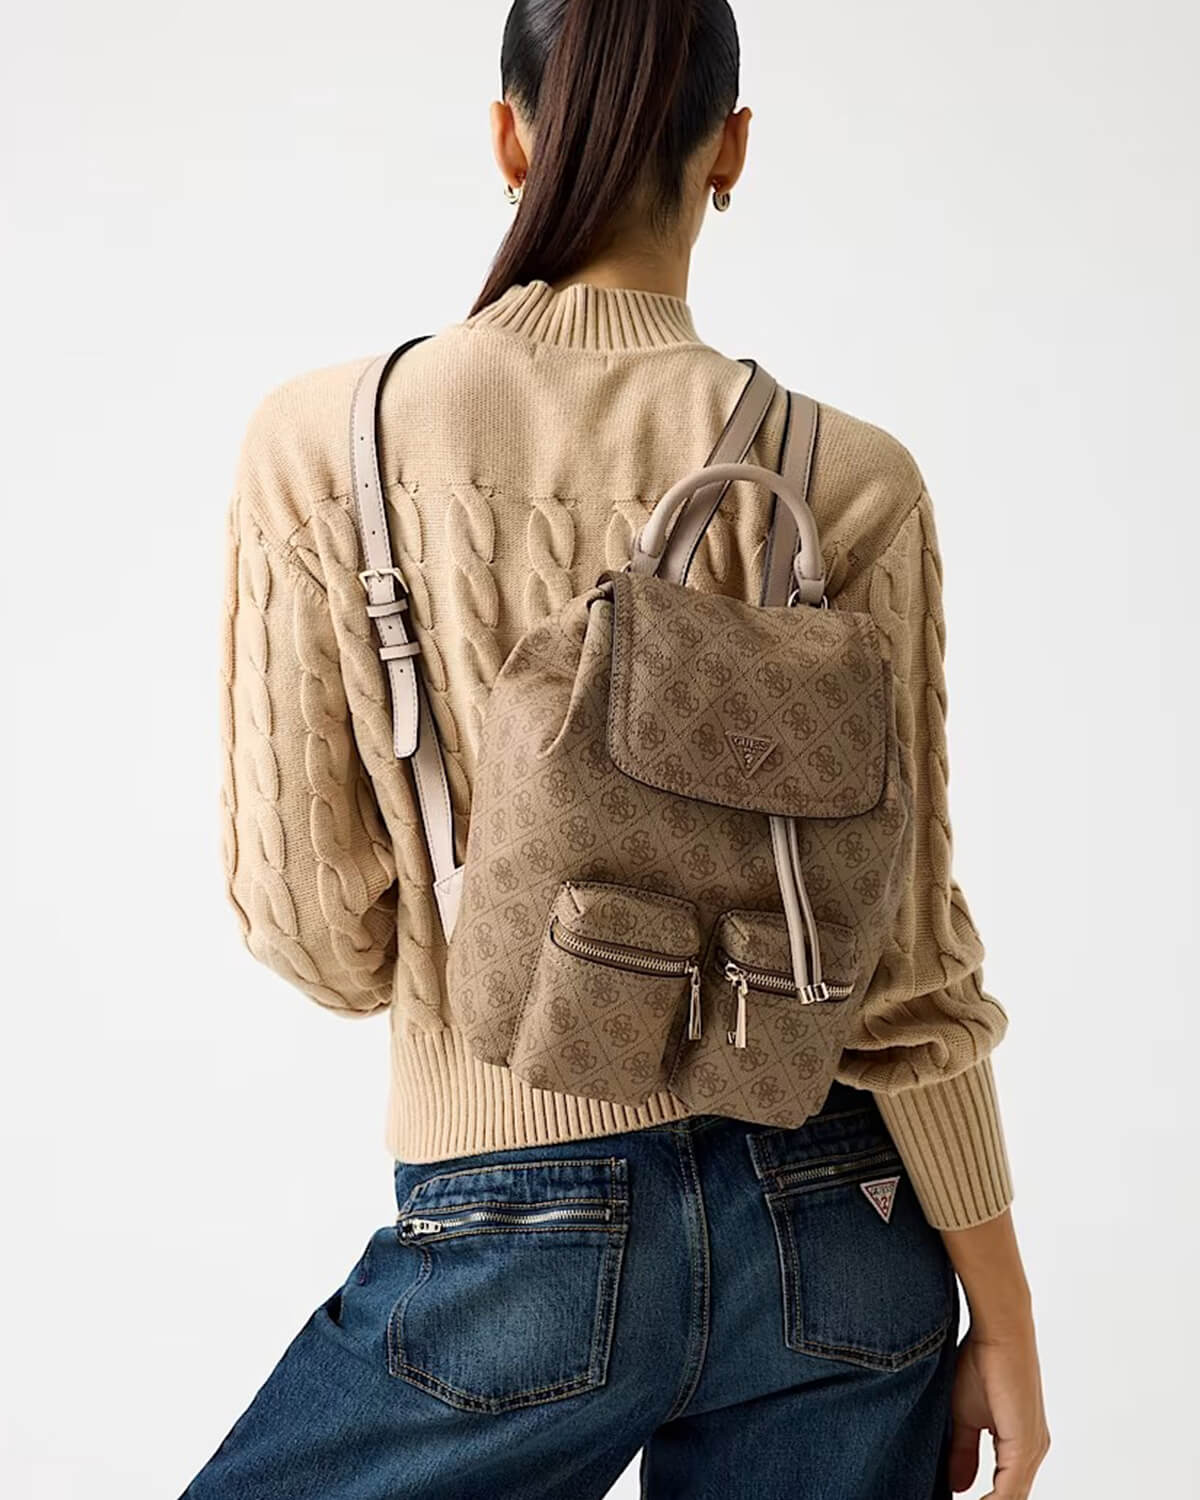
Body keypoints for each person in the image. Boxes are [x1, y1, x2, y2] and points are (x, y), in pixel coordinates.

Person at [190, 2, 1049, 1496]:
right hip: (842, 1237)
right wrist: (1010, 1321)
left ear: (508, 136)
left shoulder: (327, 448)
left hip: (511, 1235)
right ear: (732, 151)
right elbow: (903, 972)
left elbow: (315, 932)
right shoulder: (850, 480)